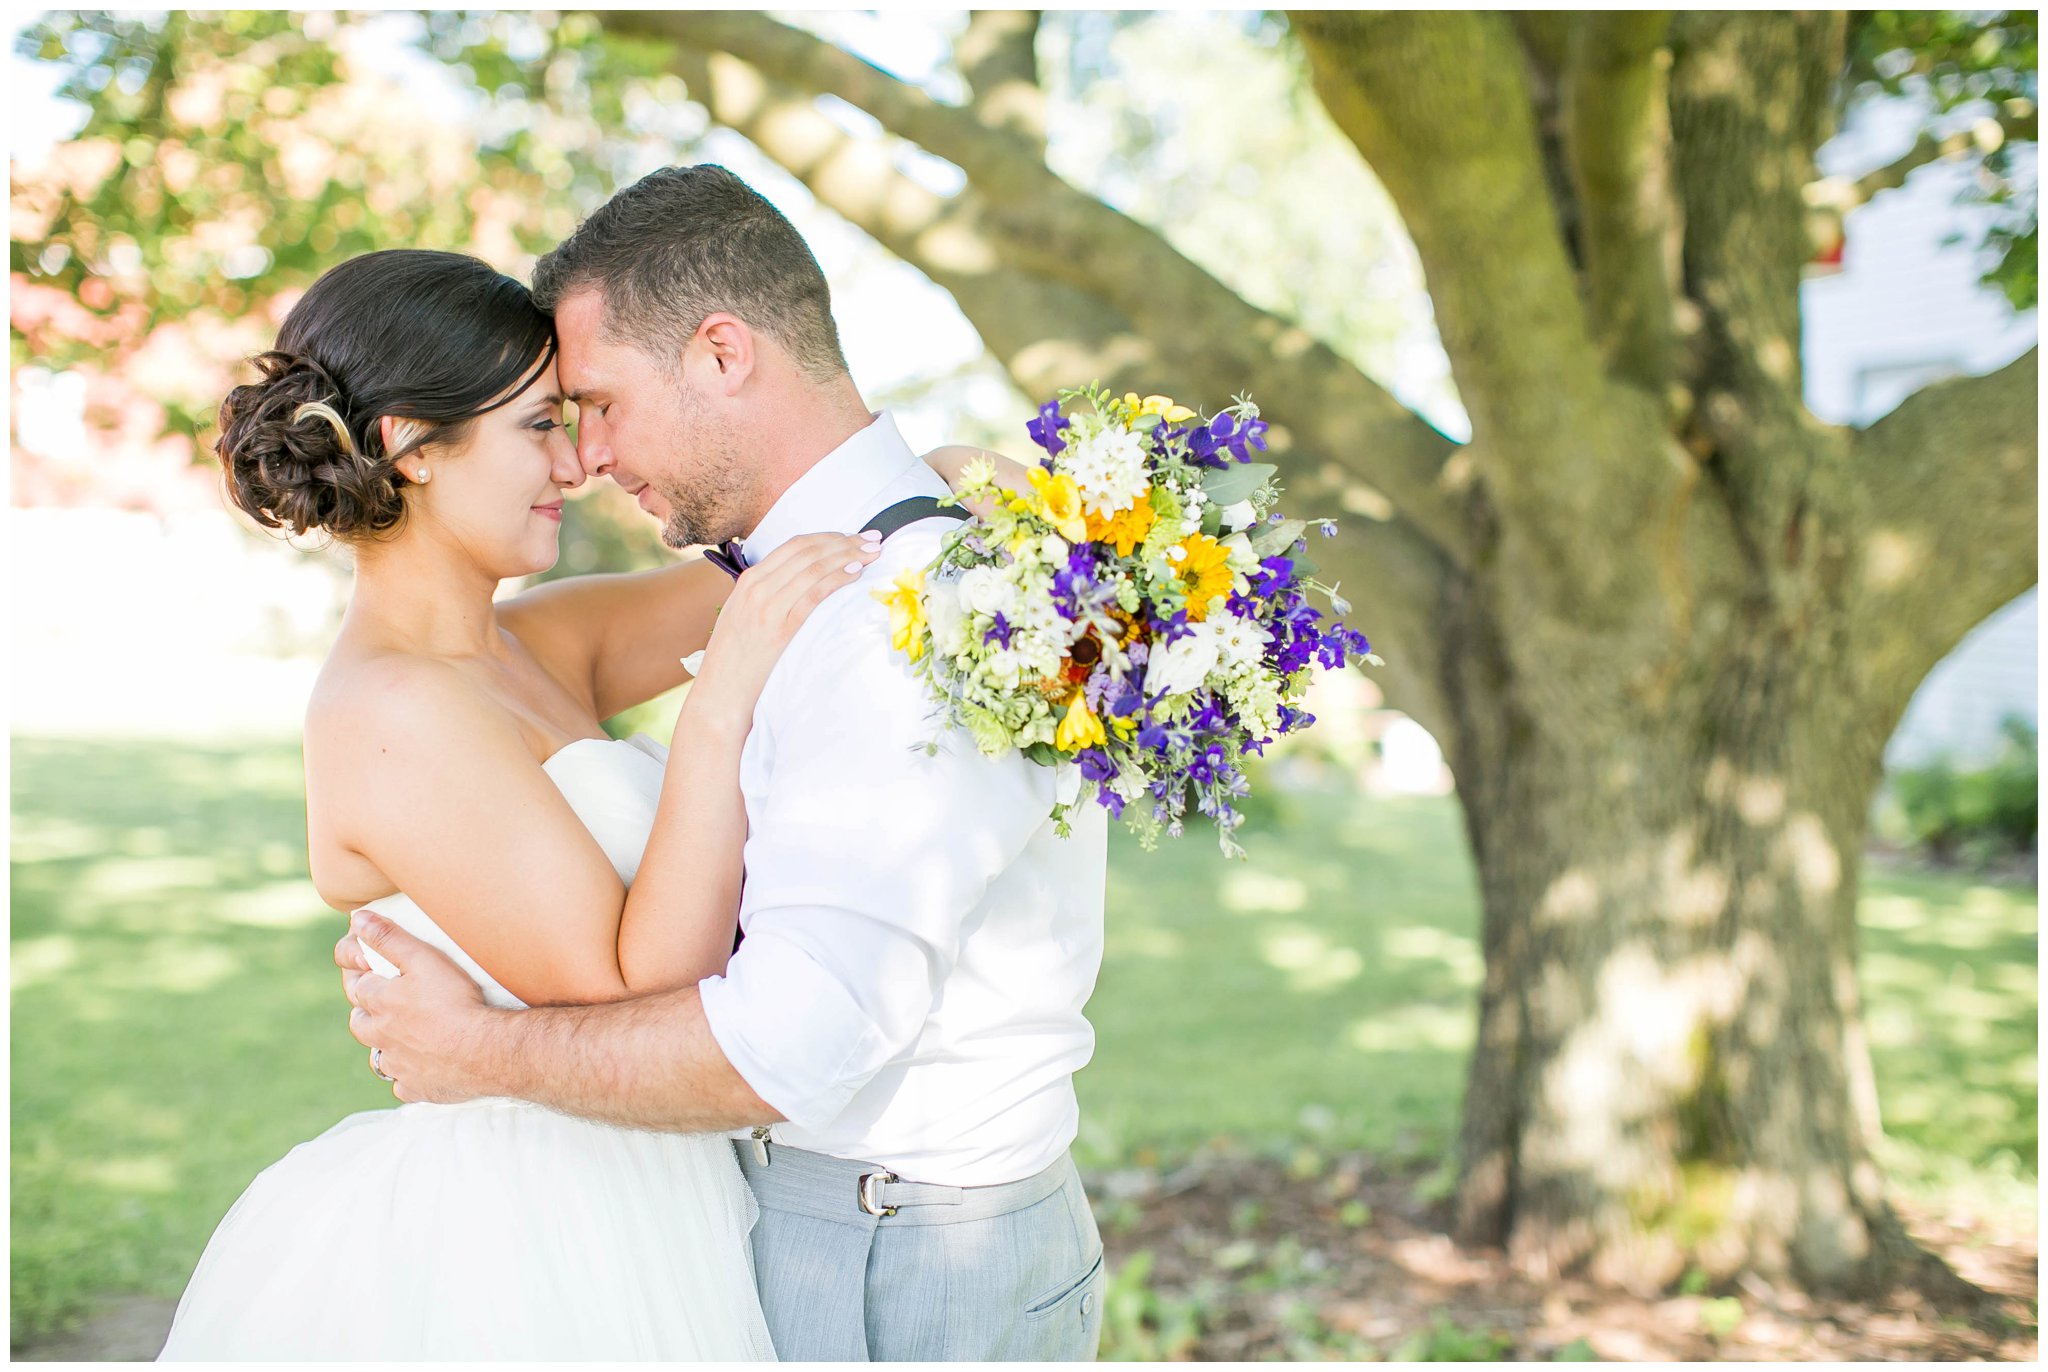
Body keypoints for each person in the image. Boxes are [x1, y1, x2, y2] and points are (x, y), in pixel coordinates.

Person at [158, 245, 1006, 1359]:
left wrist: (937, 470)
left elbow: (799, 560)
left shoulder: (537, 639)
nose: (578, 464)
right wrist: (718, 709)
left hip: (671, 1185)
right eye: (539, 427)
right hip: (536, 1240)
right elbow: (638, 984)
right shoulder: (390, 710)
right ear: (413, 446)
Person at [341, 164, 1112, 1361]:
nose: (583, 458)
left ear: (719, 353)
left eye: (588, 403)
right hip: (757, 1220)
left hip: (887, 1254)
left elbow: (787, 1041)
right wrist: (939, 489)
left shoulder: (886, 617)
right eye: (547, 421)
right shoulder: (873, 575)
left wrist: (472, 1051)